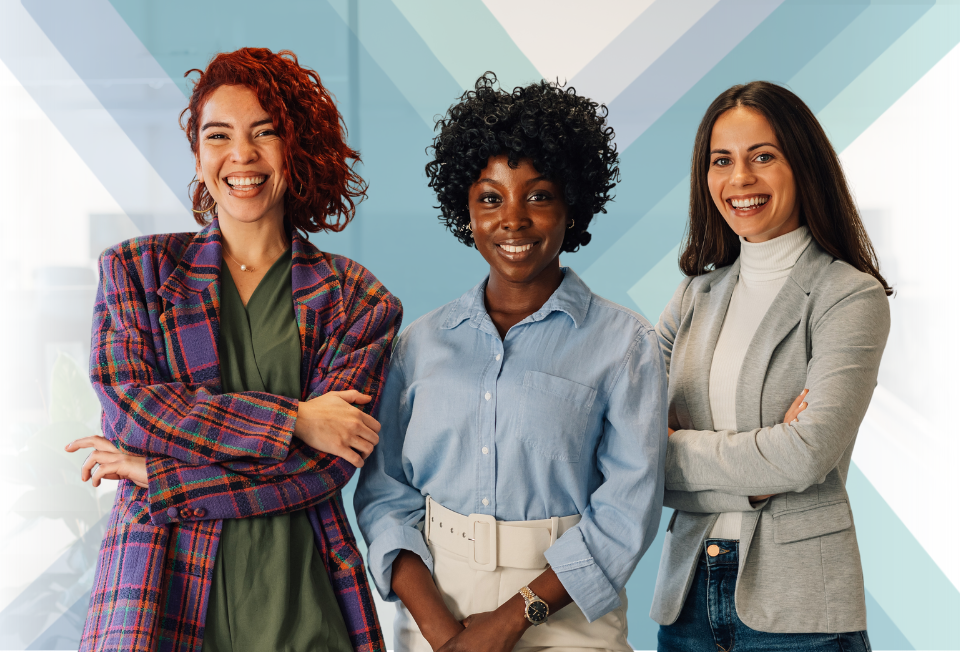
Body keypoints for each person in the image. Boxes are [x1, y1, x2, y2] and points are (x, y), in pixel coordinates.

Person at [65, 48, 401, 652]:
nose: (241, 156)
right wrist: (296, 419)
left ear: (295, 148)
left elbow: (319, 471)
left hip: (305, 605)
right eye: (218, 135)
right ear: (197, 153)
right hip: (158, 598)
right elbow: (136, 412)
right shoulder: (136, 272)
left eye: (264, 133)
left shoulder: (358, 300)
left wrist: (155, 476)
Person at [354, 73, 668, 652]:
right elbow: (384, 494)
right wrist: (443, 632)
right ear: (465, 209)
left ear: (572, 205)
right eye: (490, 197)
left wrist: (510, 620)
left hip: (569, 612)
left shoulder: (625, 346)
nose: (513, 218)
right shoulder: (418, 345)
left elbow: (628, 510)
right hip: (435, 607)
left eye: (539, 195)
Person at [651, 81, 891, 652]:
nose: (740, 179)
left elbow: (805, 454)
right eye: (722, 161)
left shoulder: (848, 296)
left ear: (801, 165)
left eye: (763, 156)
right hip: (687, 604)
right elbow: (630, 453)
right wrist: (756, 479)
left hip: (801, 609)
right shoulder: (691, 298)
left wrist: (676, 445)